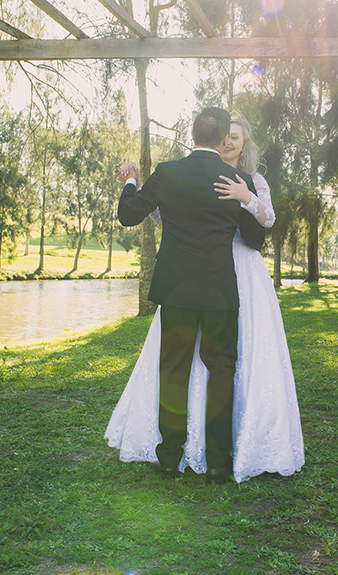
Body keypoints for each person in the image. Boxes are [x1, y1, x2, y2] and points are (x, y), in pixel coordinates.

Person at [107, 114, 304, 483]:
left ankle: (169, 457)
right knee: (222, 371)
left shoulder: (168, 172)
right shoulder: (239, 181)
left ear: (191, 133)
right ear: (220, 139)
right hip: (220, 289)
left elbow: (129, 214)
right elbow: (254, 239)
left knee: (173, 370)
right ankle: (217, 462)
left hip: (176, 288)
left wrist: (131, 182)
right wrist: (245, 203)